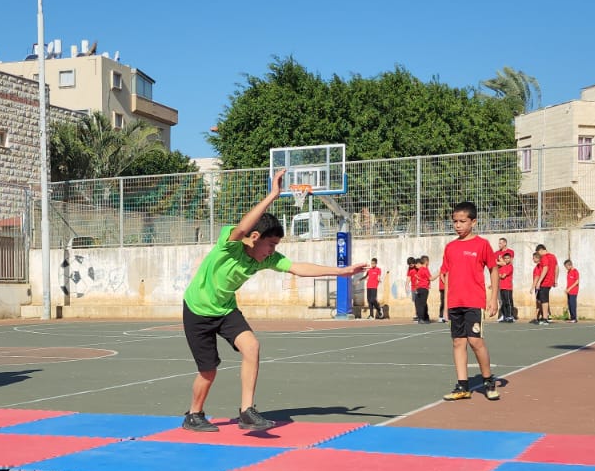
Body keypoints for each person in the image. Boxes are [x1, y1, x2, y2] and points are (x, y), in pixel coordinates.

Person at [180, 171, 365, 432]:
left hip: (225, 310)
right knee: (208, 371)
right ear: (255, 238)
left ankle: (247, 411)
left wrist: (342, 271)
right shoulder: (229, 246)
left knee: (252, 346)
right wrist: (273, 195)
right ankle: (194, 415)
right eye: (271, 244)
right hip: (197, 310)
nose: (273, 250)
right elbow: (243, 227)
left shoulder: (266, 259)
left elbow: (299, 267)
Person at [439, 202, 502, 402]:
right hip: (455, 302)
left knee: (475, 341)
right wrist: (446, 305)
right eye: (455, 222)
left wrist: (493, 299)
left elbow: (493, 269)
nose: (458, 225)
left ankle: (488, 380)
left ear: (473, 222)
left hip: (474, 301)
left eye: (462, 221)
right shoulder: (450, 247)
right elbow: (446, 275)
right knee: (458, 342)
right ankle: (462, 386)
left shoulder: (482, 245)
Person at [535, 243, 559, 324]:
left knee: (544, 301)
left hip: (545, 282)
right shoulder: (553, 256)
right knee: (544, 299)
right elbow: (557, 268)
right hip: (550, 281)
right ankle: (545, 317)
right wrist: (555, 280)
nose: (539, 255)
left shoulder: (544, 257)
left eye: (538, 253)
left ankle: (545, 318)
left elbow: (545, 268)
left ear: (541, 250)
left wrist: (539, 281)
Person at [497, 250, 517, 323]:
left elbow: (502, 276)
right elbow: (498, 275)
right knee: (504, 303)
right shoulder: (501, 267)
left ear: (510, 259)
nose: (506, 259)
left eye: (508, 258)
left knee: (509, 302)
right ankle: (505, 316)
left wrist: (499, 275)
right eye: (505, 258)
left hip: (508, 288)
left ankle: (510, 316)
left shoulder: (510, 267)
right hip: (502, 288)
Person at [411, 256, 431, 323]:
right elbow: (418, 279)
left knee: (423, 304)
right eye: (415, 264)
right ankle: (420, 318)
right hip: (418, 289)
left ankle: (424, 318)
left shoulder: (423, 269)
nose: (416, 265)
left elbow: (428, 278)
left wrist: (429, 283)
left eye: (417, 264)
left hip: (422, 288)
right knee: (418, 303)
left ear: (421, 263)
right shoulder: (421, 269)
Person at [528, 251, 543, 324]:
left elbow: (537, 277)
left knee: (538, 302)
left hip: (538, 287)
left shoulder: (538, 266)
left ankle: (537, 318)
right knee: (540, 302)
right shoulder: (539, 266)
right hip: (539, 287)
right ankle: (539, 317)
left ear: (537, 258)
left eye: (533, 258)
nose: (532, 259)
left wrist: (532, 287)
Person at [564, 258, 580, 323]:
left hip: (573, 291)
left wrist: (570, 288)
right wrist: (566, 288)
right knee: (569, 304)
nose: (566, 268)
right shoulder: (569, 272)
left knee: (573, 304)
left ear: (570, 265)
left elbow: (577, 281)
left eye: (566, 267)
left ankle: (574, 318)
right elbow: (569, 282)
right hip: (569, 291)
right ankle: (572, 318)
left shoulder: (575, 271)